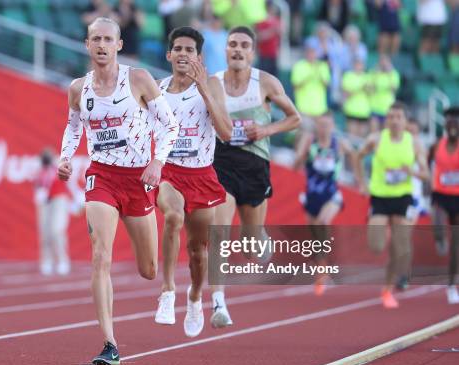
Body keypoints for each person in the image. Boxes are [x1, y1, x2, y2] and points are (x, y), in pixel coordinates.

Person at [57, 17, 179, 365]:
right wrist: (66, 158)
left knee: (149, 269)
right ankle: (109, 342)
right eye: (95, 39)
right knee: (100, 256)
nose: (101, 45)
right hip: (102, 177)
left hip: (138, 179)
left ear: (119, 45)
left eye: (108, 39)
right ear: (87, 44)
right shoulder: (79, 88)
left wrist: (157, 162)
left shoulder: (137, 79)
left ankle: (165, 288)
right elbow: (72, 127)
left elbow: (170, 125)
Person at [210, 26, 301, 327]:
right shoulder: (213, 83)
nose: (237, 49)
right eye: (232, 44)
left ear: (252, 52)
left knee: (250, 246)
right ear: (226, 50)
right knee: (219, 230)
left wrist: (264, 130)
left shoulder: (266, 82)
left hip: (255, 164)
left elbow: (295, 118)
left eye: (244, 45)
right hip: (221, 161)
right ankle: (218, 302)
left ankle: (259, 236)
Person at [153, 27, 232, 337]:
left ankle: (196, 297)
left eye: (190, 50)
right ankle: (168, 291)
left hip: (201, 175)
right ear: (169, 55)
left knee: (198, 253)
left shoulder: (211, 85)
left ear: (199, 57)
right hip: (169, 173)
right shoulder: (156, 90)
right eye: (178, 49)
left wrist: (204, 91)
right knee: (172, 216)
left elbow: (226, 133)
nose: (183, 54)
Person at [355, 102, 429, 309]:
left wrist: (411, 171)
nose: (394, 121)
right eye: (391, 117)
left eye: (398, 117)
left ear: (405, 121)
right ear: (386, 120)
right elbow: (357, 156)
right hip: (379, 197)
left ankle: (387, 289)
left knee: (400, 247)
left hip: (403, 197)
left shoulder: (414, 143)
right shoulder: (376, 139)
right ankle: (386, 234)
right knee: (377, 246)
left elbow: (426, 174)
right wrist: (362, 182)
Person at [293, 113, 357, 295]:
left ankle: (323, 268)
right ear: (316, 127)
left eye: (327, 125)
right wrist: (302, 156)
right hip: (312, 194)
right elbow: (296, 164)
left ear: (333, 126)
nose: (324, 129)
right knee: (314, 233)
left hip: (332, 193)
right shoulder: (309, 141)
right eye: (321, 125)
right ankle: (321, 268)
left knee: (323, 222)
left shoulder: (340, 143)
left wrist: (358, 179)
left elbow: (356, 156)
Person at [429, 106, 459, 304]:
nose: (452, 124)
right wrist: (425, 191)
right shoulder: (435, 146)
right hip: (440, 195)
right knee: (439, 232)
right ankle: (440, 238)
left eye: (456, 120)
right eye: (449, 120)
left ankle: (451, 286)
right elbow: (426, 164)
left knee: (456, 245)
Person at [33, 148, 71, 276]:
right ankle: (46, 261)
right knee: (45, 232)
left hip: (59, 200)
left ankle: (62, 260)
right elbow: (37, 186)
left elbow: (68, 184)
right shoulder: (40, 172)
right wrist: (38, 194)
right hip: (45, 202)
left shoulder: (58, 169)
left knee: (57, 230)